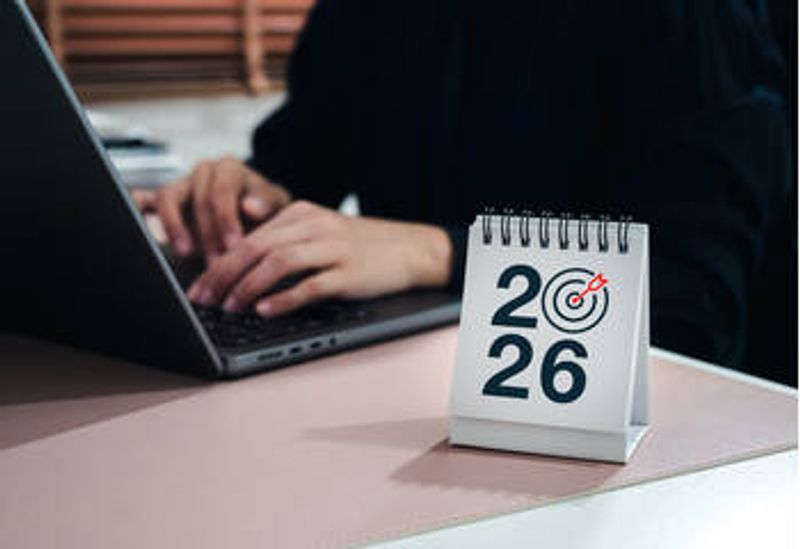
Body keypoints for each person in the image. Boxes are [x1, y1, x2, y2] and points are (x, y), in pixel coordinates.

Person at [136, 0, 792, 379]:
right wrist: (245, 201)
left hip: (628, 439)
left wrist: (439, 252)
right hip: (407, 388)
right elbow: (302, 166)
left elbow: (694, 301)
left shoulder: (689, 18)